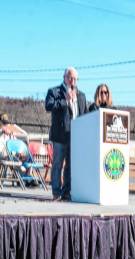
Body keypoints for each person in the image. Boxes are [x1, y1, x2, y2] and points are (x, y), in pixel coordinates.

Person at [45, 66, 88, 201]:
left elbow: (85, 114)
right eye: (70, 78)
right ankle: (56, 193)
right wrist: (65, 101)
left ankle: (66, 192)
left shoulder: (81, 95)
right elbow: (48, 106)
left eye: (75, 79)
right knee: (58, 164)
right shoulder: (54, 91)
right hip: (60, 136)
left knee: (70, 166)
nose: (73, 81)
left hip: (75, 137)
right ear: (64, 77)